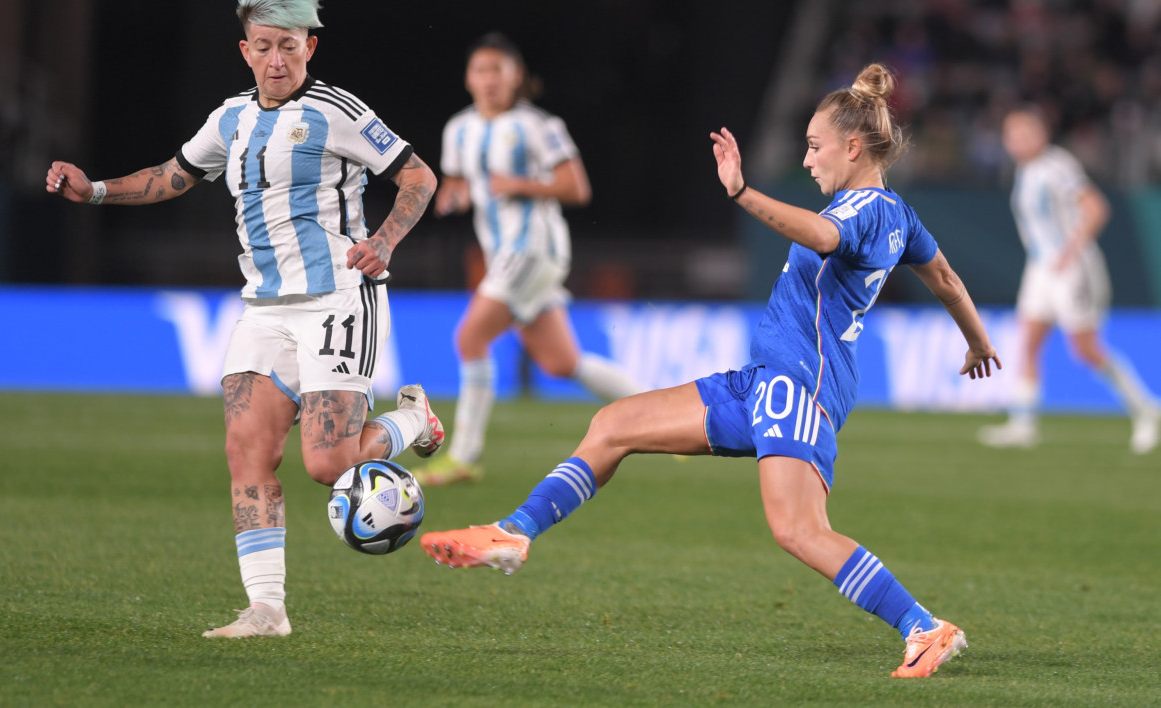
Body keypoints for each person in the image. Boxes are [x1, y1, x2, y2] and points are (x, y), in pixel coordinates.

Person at [420, 64, 1002, 678]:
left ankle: (924, 627)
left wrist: (742, 193)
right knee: (615, 424)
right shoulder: (900, 216)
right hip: (766, 379)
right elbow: (946, 279)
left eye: (813, 146)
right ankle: (515, 532)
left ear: (853, 147)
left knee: (800, 531)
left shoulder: (862, 210)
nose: (807, 161)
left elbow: (824, 235)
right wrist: (978, 342)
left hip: (796, 385)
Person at [45, 0, 445, 638]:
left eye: (289, 44)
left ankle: (413, 422)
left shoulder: (337, 112)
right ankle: (267, 610)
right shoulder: (229, 118)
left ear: (309, 46)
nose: (277, 58)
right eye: (264, 45)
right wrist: (94, 193)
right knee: (247, 451)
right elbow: (173, 176)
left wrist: (384, 240)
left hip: (336, 298)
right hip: (264, 306)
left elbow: (417, 175)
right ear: (246, 50)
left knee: (329, 465)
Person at [416, 33, 641, 487]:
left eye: (498, 70)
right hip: (504, 254)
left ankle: (463, 458)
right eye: (481, 70)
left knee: (469, 337)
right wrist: (452, 198)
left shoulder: (540, 125)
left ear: (515, 77)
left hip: (532, 248)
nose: (489, 80)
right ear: (468, 78)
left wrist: (520, 185)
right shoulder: (458, 129)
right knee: (562, 363)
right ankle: (664, 413)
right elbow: (459, 184)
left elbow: (577, 188)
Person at [977, 106, 1159, 453]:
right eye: (1011, 136)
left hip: (1070, 268)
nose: (1016, 143)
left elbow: (1096, 207)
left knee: (1086, 350)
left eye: (1023, 135)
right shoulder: (1025, 170)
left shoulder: (1056, 167)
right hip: (1041, 268)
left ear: (1041, 134)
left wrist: (1071, 252)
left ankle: (1145, 410)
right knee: (1028, 341)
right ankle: (1023, 424)